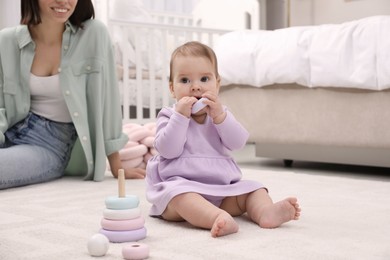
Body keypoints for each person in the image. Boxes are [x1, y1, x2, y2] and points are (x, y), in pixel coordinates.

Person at [145, 41, 301, 237]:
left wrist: (220, 117)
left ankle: (265, 212)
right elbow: (169, 150)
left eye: (204, 79)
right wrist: (181, 117)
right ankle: (216, 217)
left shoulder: (219, 114)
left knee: (255, 189)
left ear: (217, 84)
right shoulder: (169, 115)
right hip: (181, 188)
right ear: (171, 88)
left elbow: (237, 143)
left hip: (222, 189)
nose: (195, 87)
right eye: (184, 81)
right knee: (181, 197)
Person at [0, 0, 145, 190]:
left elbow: (108, 102)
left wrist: (116, 165)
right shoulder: (7, 40)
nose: (63, 1)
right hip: (10, 130)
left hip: (49, 144)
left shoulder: (93, 34)